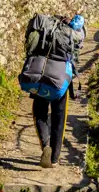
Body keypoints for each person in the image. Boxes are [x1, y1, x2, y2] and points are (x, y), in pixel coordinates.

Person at [24, 14, 85, 168]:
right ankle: (55, 158)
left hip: (39, 76)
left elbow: (29, 45)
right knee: (59, 118)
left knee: (39, 114)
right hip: (60, 81)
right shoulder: (70, 32)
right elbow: (78, 48)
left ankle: (45, 146)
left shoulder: (43, 27)